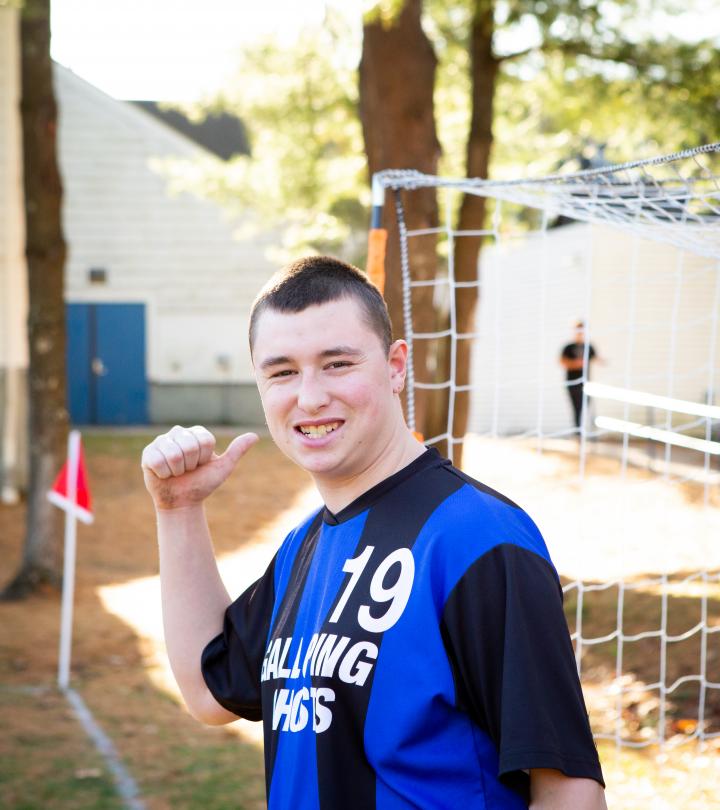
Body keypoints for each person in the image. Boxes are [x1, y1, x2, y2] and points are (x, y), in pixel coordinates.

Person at [142, 257, 606, 810]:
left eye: (336, 364)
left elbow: (569, 789)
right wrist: (178, 509)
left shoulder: (478, 540)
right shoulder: (303, 549)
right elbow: (208, 691)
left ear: (395, 366)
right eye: (282, 371)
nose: (309, 397)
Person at [559, 321, 601, 430]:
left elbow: (596, 358)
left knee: (586, 406)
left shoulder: (589, 346)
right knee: (576, 408)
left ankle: (587, 430)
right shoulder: (568, 347)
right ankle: (577, 431)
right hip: (572, 382)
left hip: (586, 382)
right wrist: (576, 364)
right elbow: (562, 361)